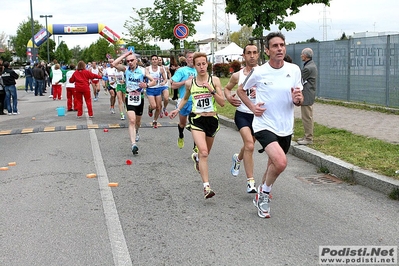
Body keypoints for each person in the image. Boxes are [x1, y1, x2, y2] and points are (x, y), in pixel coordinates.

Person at [237, 32, 304, 218]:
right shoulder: (259, 72)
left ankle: (262, 189)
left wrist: (298, 99)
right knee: (281, 163)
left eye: (282, 45)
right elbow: (241, 90)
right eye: (275, 46)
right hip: (263, 124)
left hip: (285, 126)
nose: (280, 48)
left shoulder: (294, 70)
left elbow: (298, 99)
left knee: (272, 164)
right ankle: (264, 195)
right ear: (267, 51)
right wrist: (251, 106)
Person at [169, 52, 225, 199]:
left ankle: (198, 159)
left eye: (204, 64)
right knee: (204, 152)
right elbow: (185, 98)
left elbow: (222, 103)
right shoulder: (190, 83)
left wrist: (211, 90)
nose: (201, 67)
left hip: (212, 120)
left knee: (205, 154)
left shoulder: (215, 80)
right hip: (197, 119)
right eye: (198, 64)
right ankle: (206, 187)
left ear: (207, 64)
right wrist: (177, 109)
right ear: (194, 66)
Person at [224, 43, 259, 193]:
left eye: (255, 52)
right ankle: (250, 182)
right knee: (250, 145)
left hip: (259, 116)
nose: (252, 55)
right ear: (243, 56)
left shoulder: (265, 72)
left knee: (248, 145)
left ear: (258, 55)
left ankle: (238, 159)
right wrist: (229, 98)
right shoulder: (237, 75)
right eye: (249, 53)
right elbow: (227, 88)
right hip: (243, 114)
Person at [112, 51, 156, 155]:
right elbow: (114, 64)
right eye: (128, 61)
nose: (130, 62)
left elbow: (153, 81)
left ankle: (137, 131)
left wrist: (147, 85)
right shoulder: (126, 69)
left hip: (139, 97)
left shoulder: (142, 70)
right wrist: (125, 55)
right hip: (129, 97)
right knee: (132, 120)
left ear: (136, 60)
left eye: (132, 60)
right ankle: (133, 144)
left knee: (137, 122)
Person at [170, 51, 197, 149]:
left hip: (196, 101)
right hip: (184, 100)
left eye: (193, 57)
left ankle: (196, 146)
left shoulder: (200, 70)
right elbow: (173, 85)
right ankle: (181, 135)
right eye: (189, 57)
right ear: (186, 60)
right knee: (182, 123)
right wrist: (186, 81)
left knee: (195, 124)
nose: (191, 59)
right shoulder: (181, 70)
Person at [297, 48, 318, 145]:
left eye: (302, 54)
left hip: (307, 94)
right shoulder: (311, 65)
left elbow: (299, 78)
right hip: (309, 93)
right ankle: (307, 136)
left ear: (305, 56)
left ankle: (308, 138)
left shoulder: (308, 68)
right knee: (307, 116)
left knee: (307, 117)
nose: (301, 56)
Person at [146, 54, 168, 128]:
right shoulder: (147, 69)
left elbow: (165, 78)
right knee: (154, 106)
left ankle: (154, 121)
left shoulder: (161, 69)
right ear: (151, 61)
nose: (155, 61)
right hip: (150, 89)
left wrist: (164, 82)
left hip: (158, 88)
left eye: (156, 59)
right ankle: (150, 108)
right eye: (153, 59)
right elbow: (143, 77)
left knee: (158, 107)